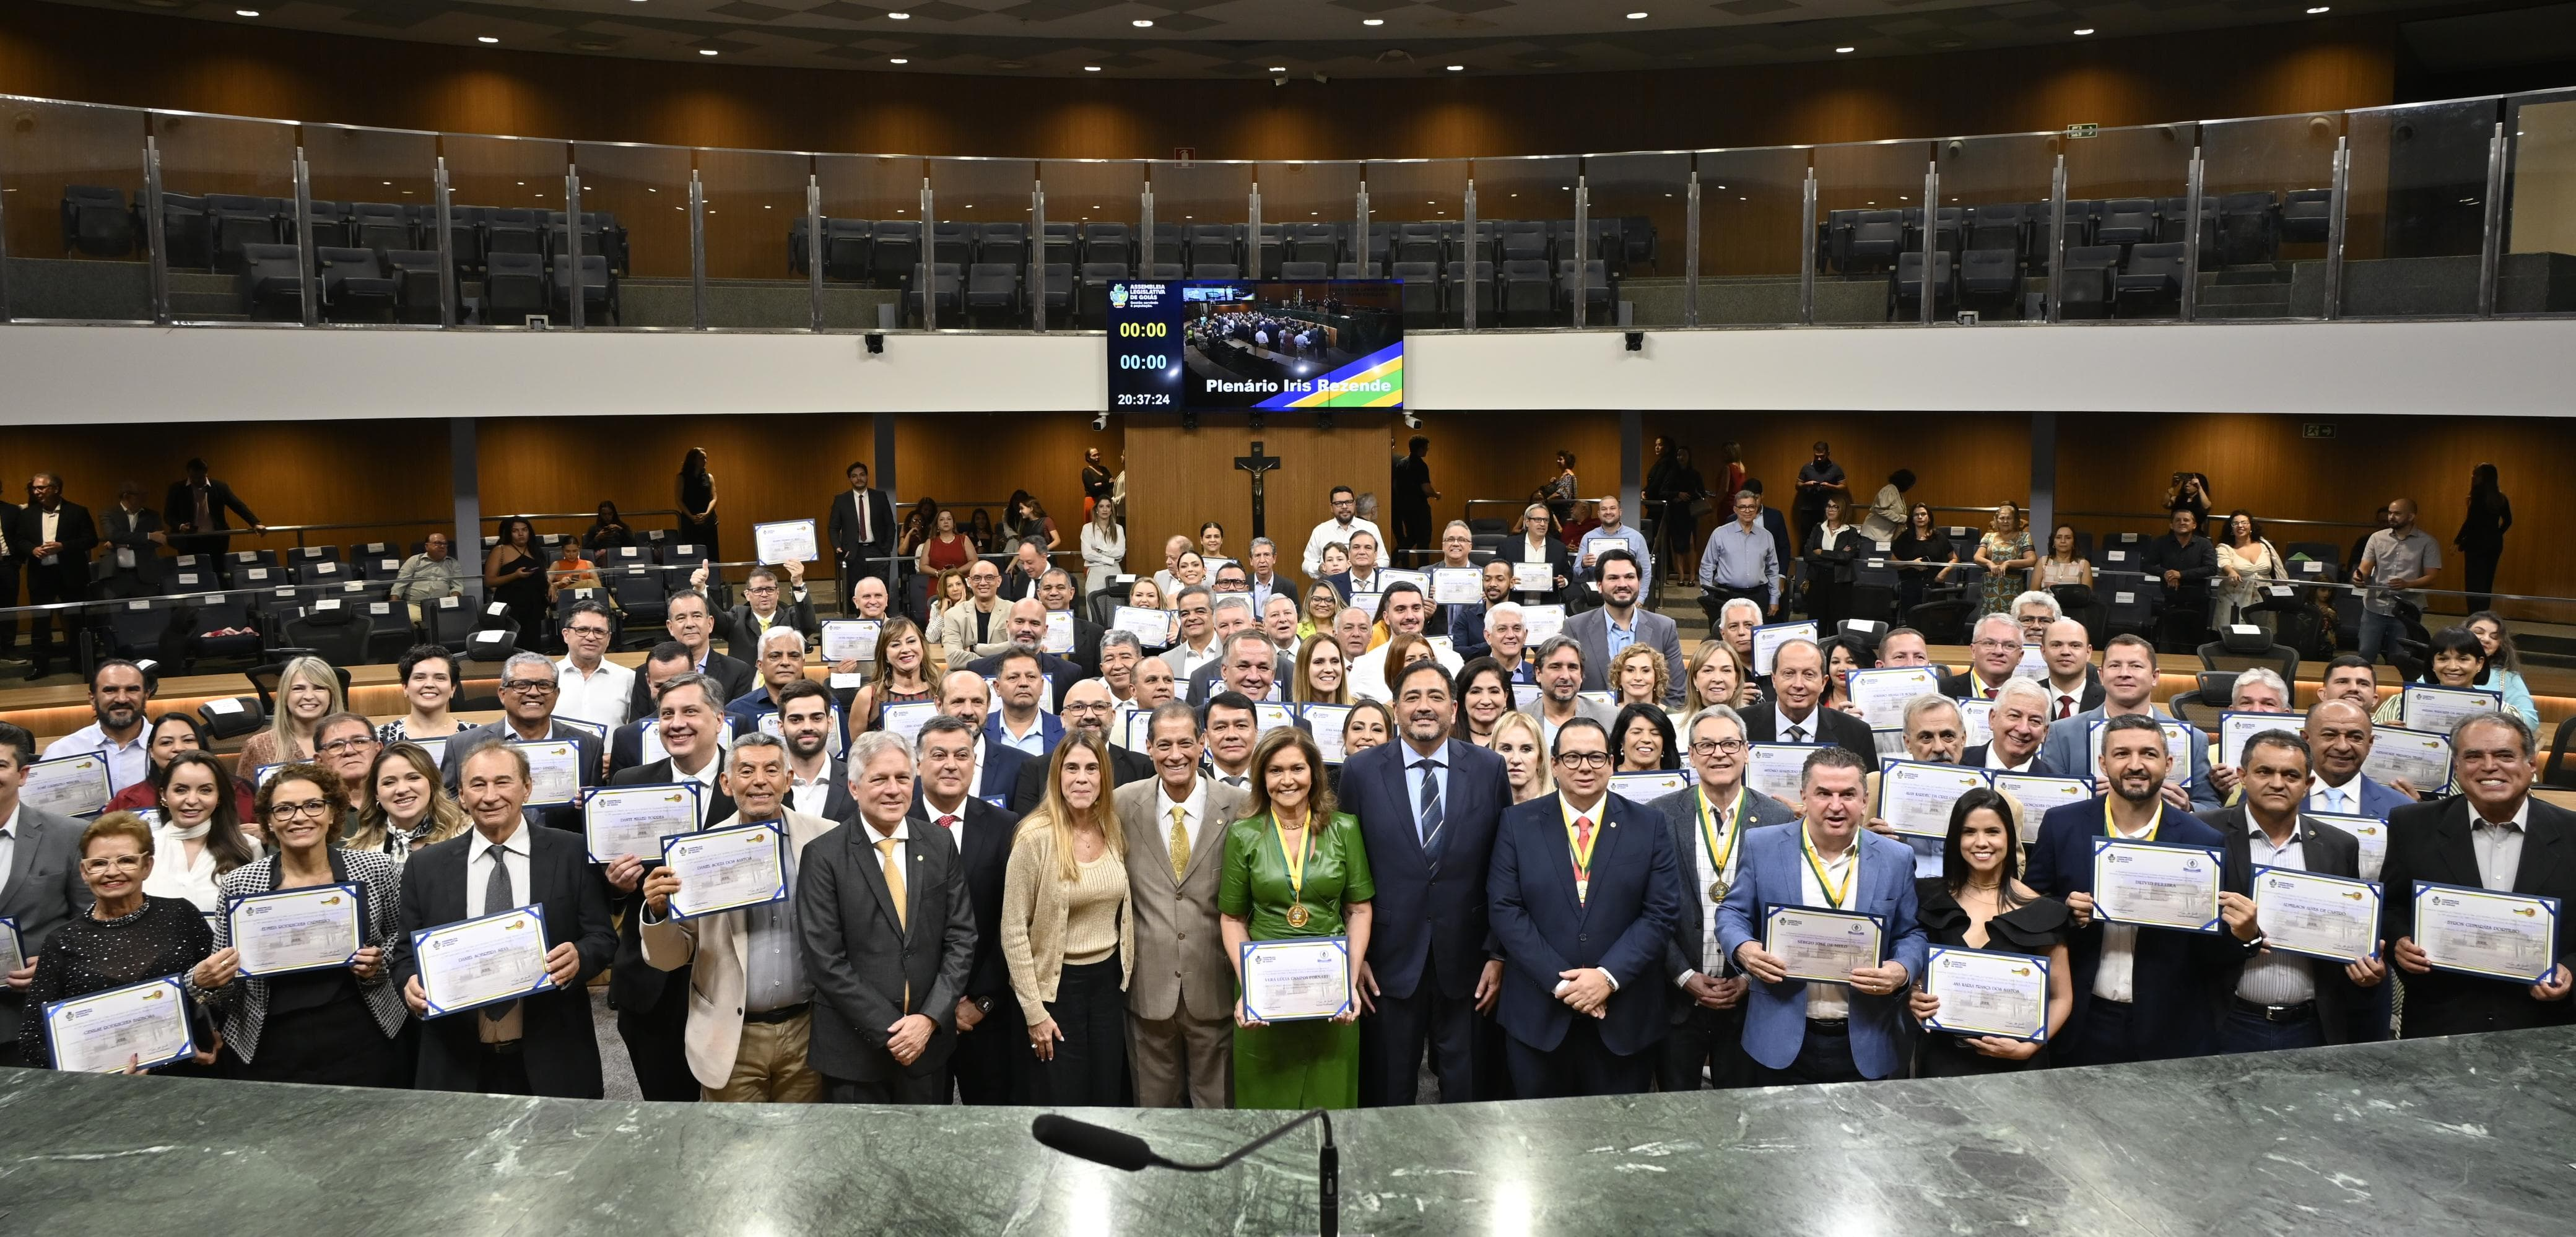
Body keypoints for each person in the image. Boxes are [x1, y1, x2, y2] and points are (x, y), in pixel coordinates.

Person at [2024, 714, 2251, 1066]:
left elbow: (2214, 952)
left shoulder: (2203, 840)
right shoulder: (2062, 824)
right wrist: (2065, 911)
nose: (2135, 765)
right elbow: (2028, 911)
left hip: (2170, 1027)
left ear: (2168, 763)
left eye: (2148, 754)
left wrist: (2244, 934)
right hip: (2082, 1018)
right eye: (2121, 754)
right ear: (2103, 763)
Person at [394, 740, 618, 1097]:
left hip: (555, 1054)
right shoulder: (426, 866)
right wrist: (409, 983)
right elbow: (405, 953)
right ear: (461, 795)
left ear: (527, 788)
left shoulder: (572, 851)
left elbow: (603, 939)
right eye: (478, 785)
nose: (490, 796)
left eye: (503, 782)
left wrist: (580, 957)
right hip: (457, 1061)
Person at [1335, 662, 1510, 1105]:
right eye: (1412, 697)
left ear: (1454, 708)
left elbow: (1504, 868)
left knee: (1468, 1096)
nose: (1424, 707)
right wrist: (1355, 957)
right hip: (1386, 964)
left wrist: (1498, 954)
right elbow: (1346, 870)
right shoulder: (1360, 771)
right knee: (1388, 1093)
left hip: (1470, 965)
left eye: (1435, 697)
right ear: (1395, 709)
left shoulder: (1490, 769)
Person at [633, 734, 843, 1103]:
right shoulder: (695, 853)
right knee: (734, 1152)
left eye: (772, 770)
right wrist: (659, 913)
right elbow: (671, 957)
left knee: (803, 1148)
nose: (760, 780)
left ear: (788, 780)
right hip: (732, 1035)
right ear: (727, 784)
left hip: (810, 1030)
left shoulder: (827, 838)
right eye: (746, 771)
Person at [1487, 718, 1679, 1096]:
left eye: (1595, 757)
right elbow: (1506, 910)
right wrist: (1565, 985)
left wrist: (1606, 978)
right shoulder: (1516, 823)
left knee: (1621, 1145)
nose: (1585, 767)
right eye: (1572, 757)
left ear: (1612, 762)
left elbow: (1660, 913)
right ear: (1554, 764)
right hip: (1539, 1017)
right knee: (1539, 1143)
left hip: (1623, 1016)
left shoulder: (1650, 825)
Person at [190, 764, 406, 1087]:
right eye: (284, 809)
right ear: (269, 822)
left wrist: (379, 963)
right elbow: (227, 980)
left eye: (313, 805)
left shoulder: (375, 868)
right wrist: (202, 982)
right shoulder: (240, 884)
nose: (300, 817)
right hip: (271, 1041)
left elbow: (400, 941)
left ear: (333, 813)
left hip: (365, 1031)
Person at [801, 731, 978, 1103]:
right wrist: (896, 1031)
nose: (893, 789)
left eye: (902, 778)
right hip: (854, 1051)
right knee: (856, 1160)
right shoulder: (823, 855)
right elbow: (825, 960)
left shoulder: (939, 843)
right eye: (879, 779)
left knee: (924, 1157)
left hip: (927, 1046)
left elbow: (961, 937)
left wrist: (929, 1019)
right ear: (853, 787)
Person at [2382, 713, 2575, 1038]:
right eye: (2473, 756)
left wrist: (2571, 970)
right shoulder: (2411, 825)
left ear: (2531, 764)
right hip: (2440, 1022)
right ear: (2457, 767)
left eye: (2504, 755)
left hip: (2545, 1023)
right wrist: (2400, 943)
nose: (2489, 766)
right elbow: (2391, 908)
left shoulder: (2573, 833)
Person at [1218, 727, 1373, 1109]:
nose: (1287, 780)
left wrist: (1348, 984)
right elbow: (1233, 918)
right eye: (1275, 771)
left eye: (1297, 769)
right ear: (1262, 777)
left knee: (1331, 1105)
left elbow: (1358, 910)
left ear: (1315, 773)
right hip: (1266, 993)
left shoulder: (1345, 828)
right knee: (1264, 1109)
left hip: (1330, 990)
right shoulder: (1244, 834)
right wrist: (1250, 991)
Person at [2203, 731, 2385, 1052]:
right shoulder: (2204, 832)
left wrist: (2366, 967)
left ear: (2308, 785)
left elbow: (2345, 933)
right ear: (2243, 777)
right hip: (2227, 1020)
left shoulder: (2339, 846)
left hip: (2311, 1025)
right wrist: (2243, 937)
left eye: (2291, 775)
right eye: (2264, 772)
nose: (2277, 783)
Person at [602, 672, 734, 1101]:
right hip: (651, 983)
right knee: (666, 1114)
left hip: (729, 975)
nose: (676, 723)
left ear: (719, 719)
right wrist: (618, 887)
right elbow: (604, 887)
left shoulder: (752, 779)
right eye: (666, 714)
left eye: (690, 711)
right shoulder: (629, 785)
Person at [1650, 705, 1795, 1092]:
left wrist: (1748, 977)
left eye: (1730, 744)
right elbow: (1647, 911)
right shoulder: (1657, 817)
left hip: (1751, 1001)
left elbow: (1785, 912)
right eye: (1707, 745)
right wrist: (1683, 976)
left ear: (1747, 751)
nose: (1719, 753)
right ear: (1692, 755)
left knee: (1742, 1118)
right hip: (1677, 999)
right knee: (1674, 1115)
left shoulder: (1780, 820)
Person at [1116, 701, 1251, 1109]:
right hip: (1147, 990)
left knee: (1218, 1111)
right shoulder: (1123, 804)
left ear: (1202, 744)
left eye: (1185, 744)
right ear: (1149, 747)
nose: (1175, 755)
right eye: (1164, 745)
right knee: (1155, 1115)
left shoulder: (1239, 807)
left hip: (1215, 984)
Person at [16, 811, 215, 1071]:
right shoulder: (62, 941)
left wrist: (213, 1034)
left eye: (126, 861)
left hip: (194, 1075)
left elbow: (223, 992)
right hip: (104, 1093)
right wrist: (97, 1072)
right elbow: (33, 1040)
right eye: (99, 864)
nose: (112, 872)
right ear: (84, 872)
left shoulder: (181, 915)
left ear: (147, 866)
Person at [1001, 732, 1136, 1106]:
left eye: (1092, 769)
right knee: (1063, 1097)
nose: (1082, 778)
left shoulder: (1113, 828)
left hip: (1108, 987)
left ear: (1104, 776)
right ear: (1056, 776)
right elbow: (1013, 931)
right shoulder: (1034, 837)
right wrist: (1034, 1012)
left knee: (1107, 1092)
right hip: (1056, 990)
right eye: (1071, 768)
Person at [1904, 788, 2074, 1075]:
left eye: (1993, 832)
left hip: (2017, 1065)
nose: (1981, 842)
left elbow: (2062, 997)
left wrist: (2029, 1047)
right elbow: (1913, 967)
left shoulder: (2045, 912)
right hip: (1941, 1061)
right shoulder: (1926, 897)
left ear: (2010, 837)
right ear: (1956, 839)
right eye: (1969, 832)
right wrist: (1914, 995)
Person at [899, 717, 1020, 1105]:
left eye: (962, 756)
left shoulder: (1007, 827)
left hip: (986, 1014)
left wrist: (984, 1000)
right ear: (918, 765)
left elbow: (1014, 921)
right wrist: (933, 1008)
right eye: (939, 755)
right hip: (913, 1016)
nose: (951, 764)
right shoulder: (894, 826)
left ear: (974, 764)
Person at [2035, 633, 2222, 814]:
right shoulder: (2062, 733)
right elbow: (2046, 802)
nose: (2125, 674)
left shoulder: (2194, 739)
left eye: (2135, 666)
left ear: (2155, 677)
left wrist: (2188, 809)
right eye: (2115, 666)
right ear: (2101, 675)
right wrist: (2082, 799)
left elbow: (2211, 807)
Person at [447, 653, 606, 828]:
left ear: (557, 694)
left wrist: (588, 804)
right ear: (502, 694)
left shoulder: (590, 745)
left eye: (544, 685)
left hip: (563, 850)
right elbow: (445, 808)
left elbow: (596, 818)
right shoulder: (461, 745)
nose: (533, 692)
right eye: (521, 685)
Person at [137, 751, 257, 912]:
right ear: (163, 795)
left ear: (219, 797)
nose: (192, 800)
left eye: (205, 790)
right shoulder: (141, 849)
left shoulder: (249, 847)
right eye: (181, 790)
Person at [1564, 549, 1684, 708]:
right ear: (1599, 585)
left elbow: (1676, 695)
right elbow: (1567, 690)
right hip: (1593, 726)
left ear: (1639, 583)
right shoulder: (1575, 628)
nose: (1622, 584)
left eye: (1629, 577)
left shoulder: (1664, 627)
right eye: (1613, 578)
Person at [12, 472, 97, 679]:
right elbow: (19, 540)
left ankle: (80, 663)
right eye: (34, 488)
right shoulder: (27, 514)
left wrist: (64, 546)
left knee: (77, 621)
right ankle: (40, 666)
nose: (36, 492)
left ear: (56, 489)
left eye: (41, 488)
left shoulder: (77, 512)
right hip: (41, 575)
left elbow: (91, 540)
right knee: (40, 623)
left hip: (71, 574)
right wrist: (32, 550)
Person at [1741, 639, 1874, 761]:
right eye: (1789, 673)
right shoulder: (1741, 724)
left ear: (1823, 682)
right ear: (1774, 680)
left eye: (1809, 675)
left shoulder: (1856, 733)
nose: (1798, 684)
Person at [101, 712, 252, 820]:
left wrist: (263, 833)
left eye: (188, 740)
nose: (178, 748)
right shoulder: (127, 799)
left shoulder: (239, 791)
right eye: (166, 742)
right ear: (151, 752)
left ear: (202, 747)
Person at [346, 741, 472, 862]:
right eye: (389, 782)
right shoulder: (358, 851)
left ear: (432, 783)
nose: (402, 790)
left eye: (413, 778)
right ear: (376, 794)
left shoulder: (469, 835)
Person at [2354, 497, 2441, 667]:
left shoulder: (2428, 542)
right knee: (2365, 653)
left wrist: (2407, 584)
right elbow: (2364, 569)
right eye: (2390, 513)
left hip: (2407, 609)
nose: (2391, 517)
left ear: (2411, 517)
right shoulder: (2376, 538)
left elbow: (2432, 578)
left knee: (2400, 658)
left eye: (2397, 514)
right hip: (2375, 605)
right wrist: (2359, 578)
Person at [49, 659, 152, 796]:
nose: (122, 699)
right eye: (110, 690)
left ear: (146, 696)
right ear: (92, 699)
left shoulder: (173, 747)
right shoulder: (63, 752)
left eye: (132, 690)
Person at [2302, 699, 2413, 822]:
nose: (2342, 746)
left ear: (2370, 743)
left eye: (2355, 737)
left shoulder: (2402, 807)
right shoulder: (2280, 800)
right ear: (2306, 738)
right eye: (2330, 735)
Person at [238, 656, 344, 771]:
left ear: (332, 695)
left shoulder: (351, 744)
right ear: (285, 696)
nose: (309, 696)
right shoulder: (258, 746)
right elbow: (243, 789)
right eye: (298, 689)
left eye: (319, 688)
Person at [2370, 627, 2493, 725]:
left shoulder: (2497, 710)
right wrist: (2383, 735)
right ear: (2433, 664)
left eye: (2463, 659)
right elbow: (2367, 745)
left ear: (2479, 664)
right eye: (2443, 659)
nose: (2452, 667)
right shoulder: (2400, 703)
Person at [702, 563, 819, 664]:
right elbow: (715, 623)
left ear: (777, 593)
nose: (764, 594)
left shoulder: (791, 616)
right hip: (746, 687)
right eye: (758, 590)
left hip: (785, 687)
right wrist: (701, 589)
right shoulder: (738, 617)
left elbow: (809, 625)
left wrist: (798, 583)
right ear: (747, 595)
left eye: (770, 589)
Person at [1518, 636, 1616, 747]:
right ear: (1538, 673)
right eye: (1556, 667)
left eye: (1572, 667)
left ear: (1581, 674)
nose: (1565, 676)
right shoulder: (1518, 720)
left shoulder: (1610, 719)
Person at [1699, 489, 1779, 623]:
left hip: (1758, 595)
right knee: (1725, 638)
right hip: (1726, 594)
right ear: (1735, 509)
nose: (1747, 511)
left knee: (1755, 639)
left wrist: (1774, 598)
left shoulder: (1766, 536)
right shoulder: (1720, 534)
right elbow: (1707, 565)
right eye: (1743, 507)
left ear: (1757, 509)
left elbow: (1773, 570)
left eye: (1751, 507)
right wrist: (1708, 597)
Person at [2143, 508, 2219, 651]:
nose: (2182, 523)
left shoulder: (2204, 544)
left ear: (2194, 525)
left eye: (2186, 520)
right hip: (2172, 601)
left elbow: (2211, 569)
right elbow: (2146, 565)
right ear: (2171, 525)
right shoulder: (2161, 542)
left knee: (2196, 647)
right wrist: (2167, 573)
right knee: (2172, 646)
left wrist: (2180, 575)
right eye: (2178, 520)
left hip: (2198, 603)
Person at [850, 616, 936, 736]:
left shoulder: (940, 690)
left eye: (911, 641)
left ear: (922, 646)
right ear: (885, 655)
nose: (906, 649)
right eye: (896, 645)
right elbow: (858, 750)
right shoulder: (868, 696)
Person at [163, 458, 263, 559]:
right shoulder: (177, 488)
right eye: (193, 477)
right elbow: (168, 515)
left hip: (216, 538)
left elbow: (237, 505)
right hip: (188, 540)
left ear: (206, 473)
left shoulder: (219, 487)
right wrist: (181, 526)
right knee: (193, 573)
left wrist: (255, 523)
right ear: (188, 474)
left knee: (218, 570)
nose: (197, 480)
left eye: (201, 477)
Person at [829, 461, 897, 605]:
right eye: (854, 476)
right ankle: (857, 622)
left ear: (867, 476)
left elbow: (890, 525)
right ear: (850, 479)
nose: (859, 478)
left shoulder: (879, 497)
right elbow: (833, 528)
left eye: (862, 475)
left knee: (879, 589)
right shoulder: (841, 500)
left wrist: (887, 548)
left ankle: (882, 622)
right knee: (856, 591)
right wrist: (838, 547)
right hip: (853, 553)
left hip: (878, 551)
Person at [378, 645, 467, 747]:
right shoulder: (380, 737)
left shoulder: (477, 735)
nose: (429, 684)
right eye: (420, 677)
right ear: (405, 687)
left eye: (440, 678)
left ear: (453, 689)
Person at [2214, 510, 2284, 635]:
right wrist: (2231, 572)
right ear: (2231, 528)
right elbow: (2223, 563)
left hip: (2263, 599)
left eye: (2244, 522)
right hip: (2235, 598)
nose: (2240, 526)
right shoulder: (2225, 548)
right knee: (2235, 637)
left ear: (2251, 526)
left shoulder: (2265, 546)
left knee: (2262, 636)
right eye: (2235, 524)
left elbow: (2278, 569)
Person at [1964, 677, 2053, 775]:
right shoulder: (1957, 763)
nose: (2023, 729)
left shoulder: (2055, 784)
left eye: (2034, 721)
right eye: (2014, 716)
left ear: (2045, 732)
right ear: (1992, 718)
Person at [1801, 494, 1863, 635]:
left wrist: (1821, 552)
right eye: (1829, 506)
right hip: (1817, 580)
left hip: (1841, 582)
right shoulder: (1818, 528)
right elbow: (1808, 555)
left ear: (1843, 510)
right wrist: (1836, 555)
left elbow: (1847, 557)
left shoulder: (1850, 532)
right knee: (1817, 622)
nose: (1831, 509)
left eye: (1836, 507)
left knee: (1838, 622)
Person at [2455, 463, 2512, 614]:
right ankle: (2484, 613)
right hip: (2494, 544)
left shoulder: (2478, 495)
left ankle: (2474, 615)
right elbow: (2508, 521)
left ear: (2483, 477)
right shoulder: (2500, 498)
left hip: (2476, 543)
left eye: (2476, 474)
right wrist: (2497, 534)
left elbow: (2471, 522)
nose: (2473, 477)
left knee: (2473, 583)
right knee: (2487, 582)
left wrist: (2458, 540)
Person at [939, 559, 1014, 667]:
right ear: (969, 582)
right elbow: (954, 659)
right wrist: (996, 661)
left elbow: (1019, 648)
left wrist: (975, 649)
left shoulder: (1014, 611)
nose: (983, 583)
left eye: (989, 578)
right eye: (977, 578)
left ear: (999, 581)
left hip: (1003, 678)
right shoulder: (953, 615)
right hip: (965, 678)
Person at [99, 479, 168, 593]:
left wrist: (120, 543)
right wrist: (148, 536)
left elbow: (158, 541)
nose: (145, 498)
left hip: (146, 573)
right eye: (141, 495)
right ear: (126, 496)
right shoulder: (108, 513)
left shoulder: (153, 515)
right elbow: (113, 535)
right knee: (116, 610)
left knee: (148, 609)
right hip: (115, 574)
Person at [1301, 484, 1385, 578]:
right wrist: (1321, 568)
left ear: (1354, 504)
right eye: (1339, 503)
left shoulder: (1371, 528)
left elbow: (1384, 559)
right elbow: (1306, 564)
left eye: (1349, 502)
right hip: (1330, 587)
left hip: (1362, 586)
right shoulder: (1320, 531)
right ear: (1331, 507)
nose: (1344, 507)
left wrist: (1372, 565)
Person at [1891, 502, 1960, 614]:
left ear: (1929, 518)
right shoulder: (1904, 538)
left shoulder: (1939, 537)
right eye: (1916, 515)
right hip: (1911, 586)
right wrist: (1911, 563)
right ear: (1912, 519)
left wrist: (1945, 572)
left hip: (1935, 586)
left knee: (1934, 622)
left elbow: (1954, 559)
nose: (1920, 517)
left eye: (1923, 514)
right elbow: (1893, 563)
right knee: (1914, 622)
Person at [1941, 614, 2024, 703]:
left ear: (2020, 656)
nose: (1998, 651)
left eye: (2009, 646)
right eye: (1989, 643)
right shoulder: (1939, 691)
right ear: (1973, 651)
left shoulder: (2034, 697)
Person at [1972, 501, 2035, 617]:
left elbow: (2032, 560)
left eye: (2009, 518)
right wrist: (1989, 563)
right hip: (1991, 587)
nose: (2005, 521)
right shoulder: (1989, 536)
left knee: (2011, 622)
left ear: (2015, 520)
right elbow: (1977, 557)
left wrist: (2009, 563)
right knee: (1989, 621)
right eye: (2002, 518)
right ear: (1996, 520)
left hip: (2013, 587)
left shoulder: (2024, 537)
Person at [2035, 617, 2104, 720]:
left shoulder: (2109, 699)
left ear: (2088, 652)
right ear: (2043, 651)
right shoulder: (2026, 696)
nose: (2066, 652)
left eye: (2075, 645)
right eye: (2056, 645)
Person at [1507, 501, 1573, 607]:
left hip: (1547, 607)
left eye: (1546, 520)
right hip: (1515, 605)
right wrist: (1508, 581)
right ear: (1527, 522)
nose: (1542, 524)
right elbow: (1498, 572)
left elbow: (1568, 573)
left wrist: (1563, 581)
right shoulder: (1508, 545)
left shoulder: (1559, 548)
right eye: (1538, 520)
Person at [388, 532, 468, 620]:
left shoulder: (453, 564)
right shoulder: (415, 560)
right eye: (438, 543)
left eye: (445, 544)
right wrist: (394, 606)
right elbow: (400, 584)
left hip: (441, 604)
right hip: (416, 605)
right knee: (414, 619)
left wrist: (452, 603)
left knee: (450, 620)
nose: (442, 546)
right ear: (427, 546)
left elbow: (457, 587)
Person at [1788, 441, 1845, 559]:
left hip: (1828, 511)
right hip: (1808, 509)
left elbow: (1844, 486)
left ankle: (1823, 567)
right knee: (1806, 540)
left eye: (1822, 456)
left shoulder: (1836, 468)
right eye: (1816, 456)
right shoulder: (1807, 467)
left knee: (1826, 540)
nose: (1819, 459)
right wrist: (1806, 484)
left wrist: (1830, 486)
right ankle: (1803, 569)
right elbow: (1797, 485)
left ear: (1828, 454)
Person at [1492, 711, 1553, 805]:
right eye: (1507, 749)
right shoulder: (1482, 809)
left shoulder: (1562, 806)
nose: (1516, 760)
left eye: (1526, 750)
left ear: (1540, 758)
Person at [1391, 435, 1437, 554]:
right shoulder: (1421, 466)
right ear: (1420, 449)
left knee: (1411, 537)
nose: (1427, 450)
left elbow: (1396, 485)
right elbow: (1426, 489)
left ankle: (1394, 558)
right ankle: (1424, 568)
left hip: (1405, 508)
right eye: (1426, 448)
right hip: (1419, 508)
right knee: (1424, 540)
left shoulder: (1402, 463)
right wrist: (1436, 495)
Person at [1451, 657, 1513, 746]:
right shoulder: (1445, 743)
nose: (1486, 701)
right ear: (1462, 697)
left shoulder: (1522, 739)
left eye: (1494, 691)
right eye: (1476, 692)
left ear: (1505, 696)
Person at [1684, 638, 1754, 714]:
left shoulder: (1755, 723)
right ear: (1695, 679)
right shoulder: (1675, 724)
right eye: (1708, 671)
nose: (1718, 679)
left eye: (1726, 671)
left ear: (1737, 679)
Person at [676, 447, 720, 555]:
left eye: (706, 458)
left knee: (711, 552)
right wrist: (692, 517)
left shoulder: (709, 477)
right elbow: (678, 500)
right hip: (690, 520)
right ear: (693, 460)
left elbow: (714, 498)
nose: (705, 461)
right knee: (693, 553)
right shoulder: (682, 478)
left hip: (707, 519)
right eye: (702, 458)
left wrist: (707, 514)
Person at [1079, 498, 1126, 598]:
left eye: (1108, 506)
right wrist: (1109, 559)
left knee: (1114, 609)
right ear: (1096, 510)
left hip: (1115, 571)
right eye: (1101, 506)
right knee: (1095, 610)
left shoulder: (1118, 529)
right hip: (1095, 572)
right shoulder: (1087, 528)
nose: (1105, 509)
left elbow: (1120, 553)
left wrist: (1099, 551)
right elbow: (1087, 554)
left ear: (1111, 510)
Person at [1612, 703, 1679, 773]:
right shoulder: (1606, 780)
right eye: (1636, 732)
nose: (1646, 739)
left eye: (1655, 733)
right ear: (1621, 739)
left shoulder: (1679, 781)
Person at [1323, 531, 1388, 601]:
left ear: (1375, 555)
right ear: (1349, 554)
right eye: (1356, 547)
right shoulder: (1331, 584)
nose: (1362, 552)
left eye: (1368, 548)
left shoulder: (1388, 583)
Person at [1606, 645, 1670, 712]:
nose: (1638, 678)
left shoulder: (1674, 717)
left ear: (1657, 677)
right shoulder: (1606, 715)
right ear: (1619, 677)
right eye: (1630, 670)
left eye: (1646, 671)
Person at [1858, 469, 1913, 544]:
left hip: (1884, 535)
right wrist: (1901, 518)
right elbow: (1880, 510)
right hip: (1874, 534)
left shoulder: (1897, 493)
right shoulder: (1889, 490)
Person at [916, 508, 975, 576]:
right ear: (937, 525)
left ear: (953, 523)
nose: (946, 522)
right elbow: (923, 566)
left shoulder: (964, 539)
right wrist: (938, 573)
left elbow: (974, 561)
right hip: (937, 583)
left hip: (960, 582)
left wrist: (957, 572)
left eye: (949, 519)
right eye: (942, 519)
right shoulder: (930, 542)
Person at [2036, 523, 2091, 592]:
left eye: (2068, 538)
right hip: (2047, 602)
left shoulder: (2084, 565)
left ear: (2074, 543)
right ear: (2053, 542)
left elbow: (2087, 596)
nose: (2063, 541)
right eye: (2059, 537)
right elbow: (2033, 594)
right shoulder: (2043, 562)